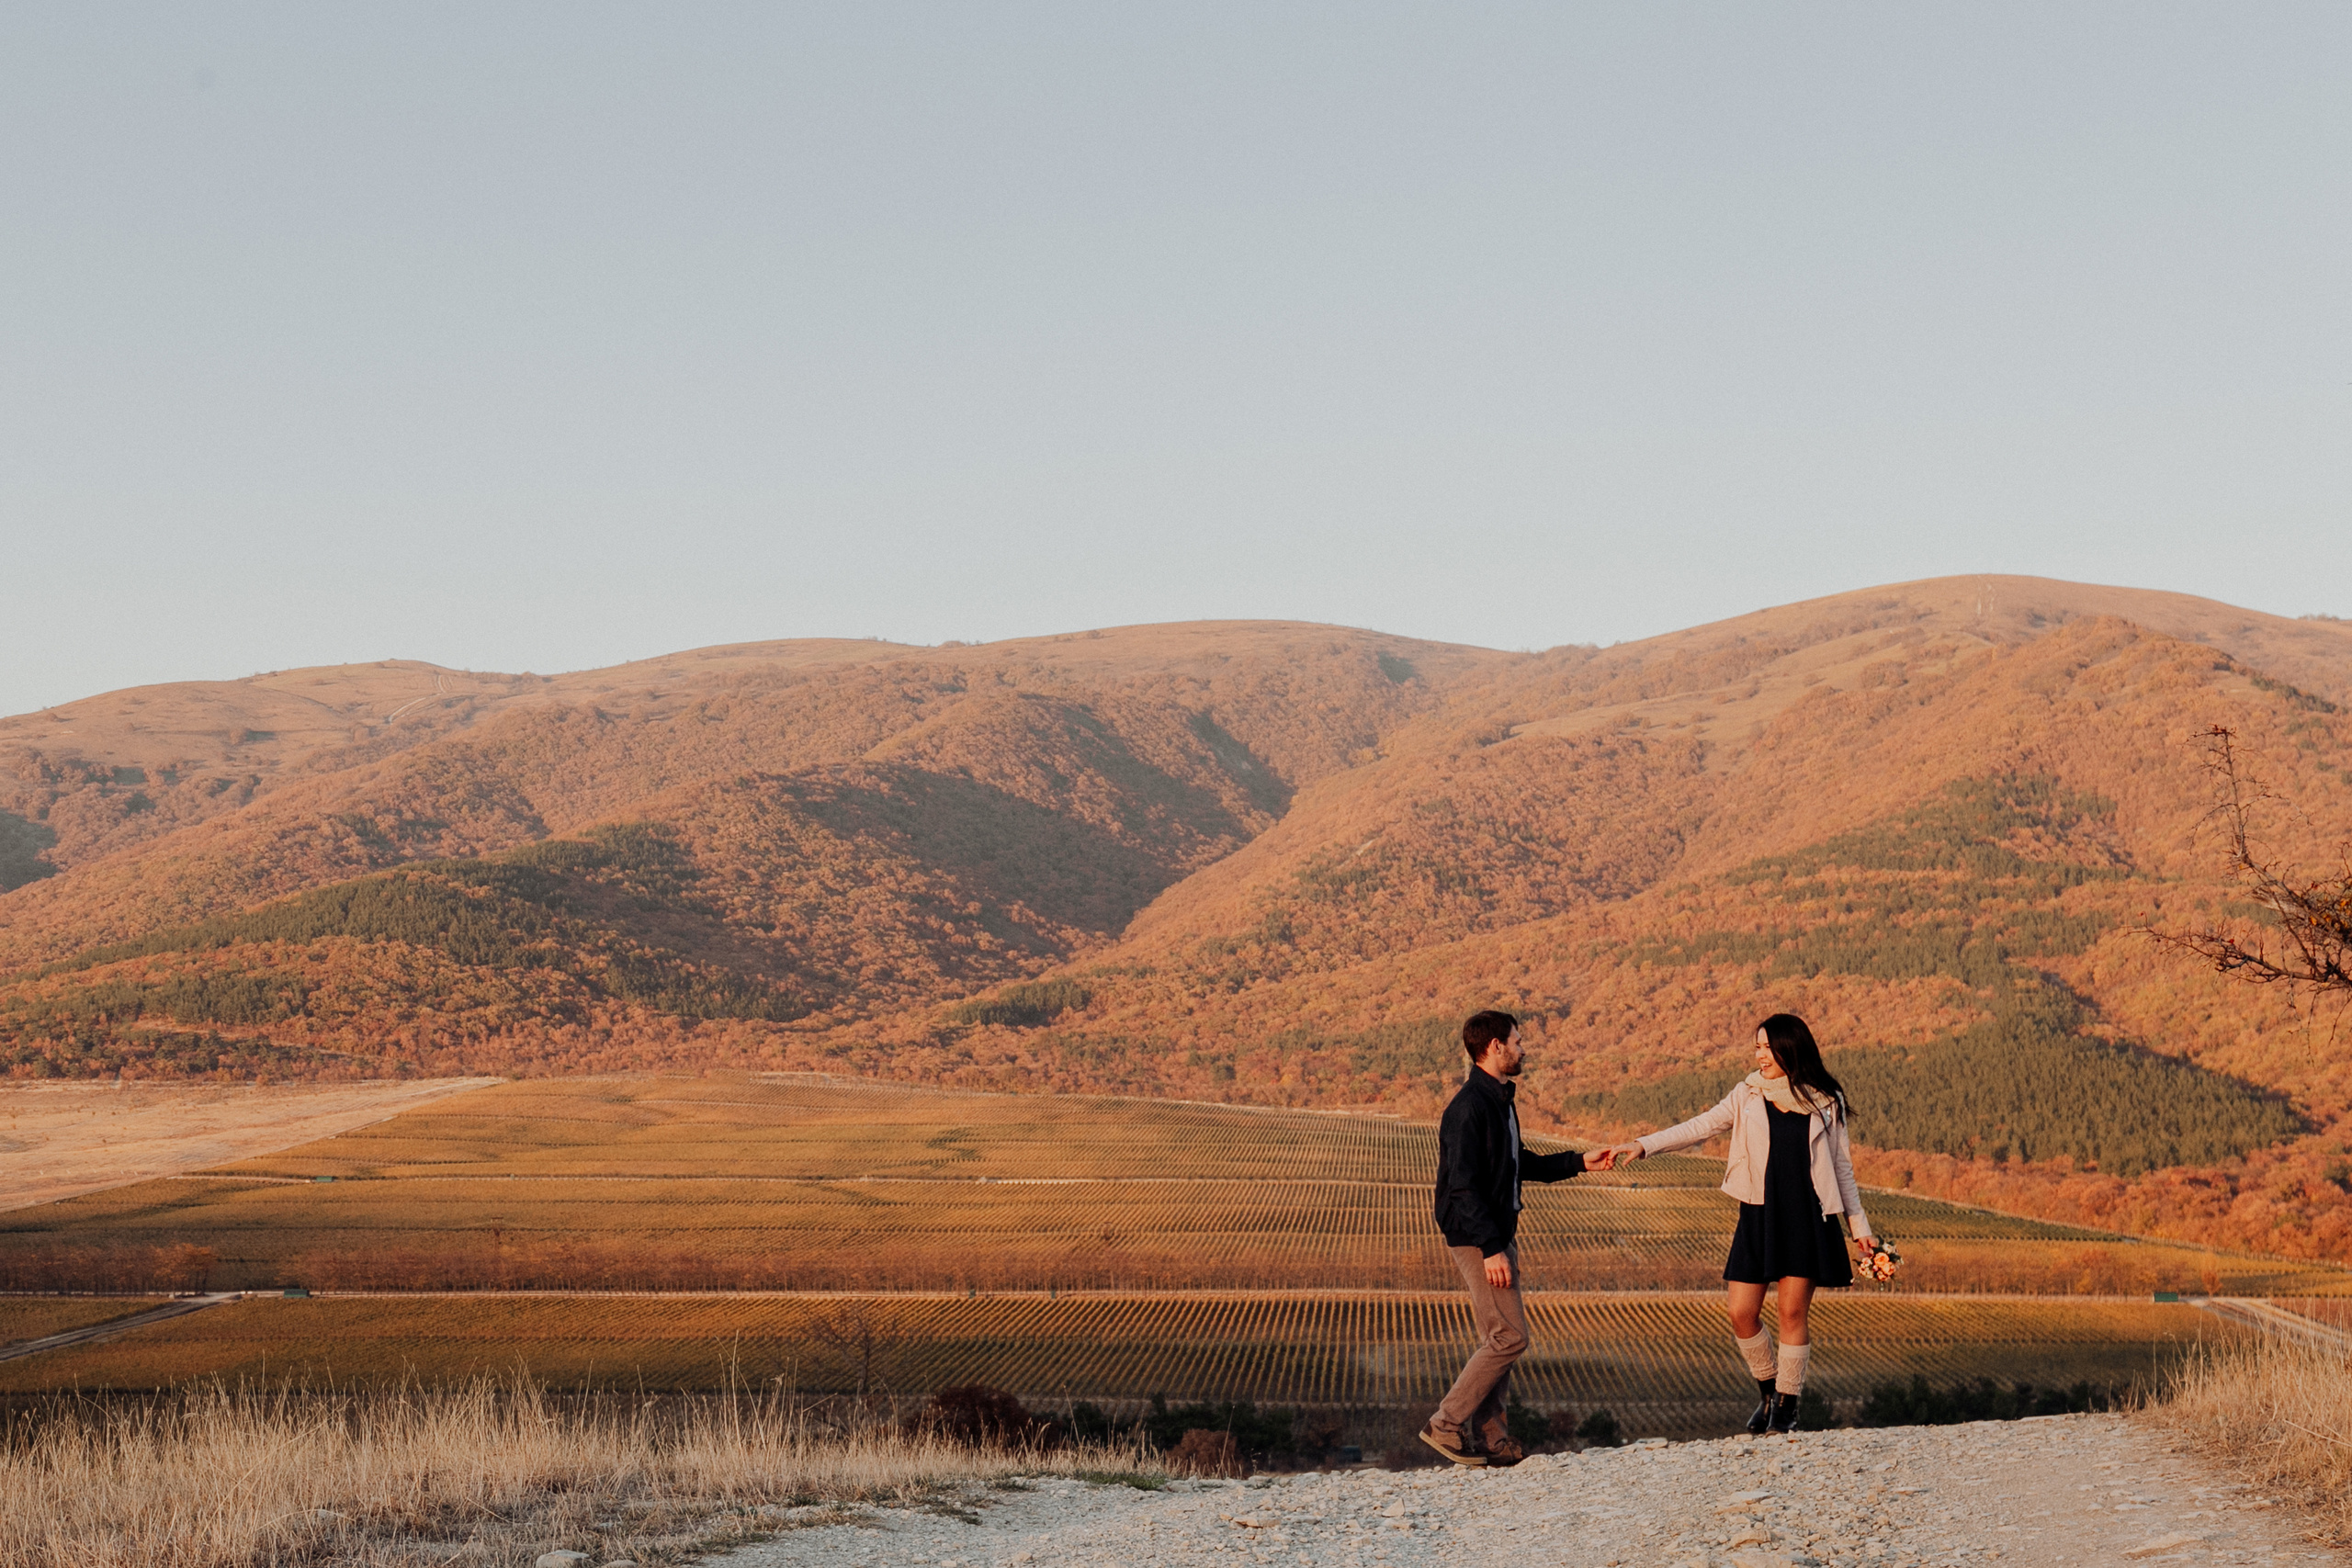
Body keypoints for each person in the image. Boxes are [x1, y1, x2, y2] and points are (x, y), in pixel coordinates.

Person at [1608, 1012, 1875, 1435]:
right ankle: (1768, 1391)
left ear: (1791, 1049)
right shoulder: (1747, 1093)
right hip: (1758, 1213)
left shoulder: (1827, 1099)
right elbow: (1701, 1126)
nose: (1760, 1054)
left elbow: (1842, 1168)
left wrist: (1860, 1229)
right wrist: (1645, 1145)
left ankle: (1786, 1407)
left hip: (1808, 1214)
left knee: (1791, 1311)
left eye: (1768, 1047)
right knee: (1741, 1312)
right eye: (1757, 1047)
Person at [1421, 1009, 1616, 1467]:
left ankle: (1492, 1438)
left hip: (1493, 1232)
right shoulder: (1469, 1108)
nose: (1523, 1048)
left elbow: (1517, 1163)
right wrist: (1491, 1248)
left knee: (1499, 1335)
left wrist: (1578, 1163)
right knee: (1509, 1337)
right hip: (1477, 1237)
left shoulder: (1498, 1101)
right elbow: (1462, 1186)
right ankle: (1445, 1425)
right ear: (1495, 1047)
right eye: (1518, 1040)